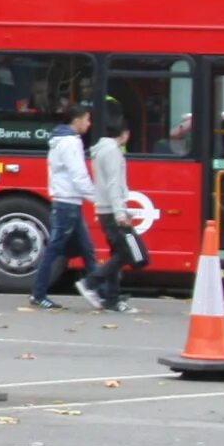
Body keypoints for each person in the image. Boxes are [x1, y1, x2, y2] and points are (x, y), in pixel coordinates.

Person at [32, 102, 98, 309]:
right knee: (55, 250)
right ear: (77, 120)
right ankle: (38, 293)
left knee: (86, 249)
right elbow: (78, 175)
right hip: (67, 203)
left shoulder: (61, 140)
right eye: (87, 119)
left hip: (69, 202)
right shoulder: (70, 143)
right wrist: (97, 198)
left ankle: (100, 292)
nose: (89, 124)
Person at [79, 105, 139, 310]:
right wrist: (120, 212)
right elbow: (114, 183)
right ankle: (90, 283)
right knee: (125, 254)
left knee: (117, 252)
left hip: (104, 209)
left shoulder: (100, 150)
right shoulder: (113, 152)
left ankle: (112, 298)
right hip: (111, 211)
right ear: (125, 134)